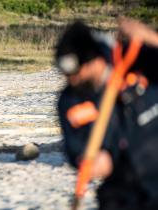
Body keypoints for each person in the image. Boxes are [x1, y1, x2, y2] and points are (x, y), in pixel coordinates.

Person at [55, 18, 158, 210]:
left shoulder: (137, 60)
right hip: (122, 191)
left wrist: (149, 37)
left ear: (95, 60)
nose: (72, 80)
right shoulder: (70, 102)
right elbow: (74, 149)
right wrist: (89, 162)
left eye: (76, 72)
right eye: (66, 74)